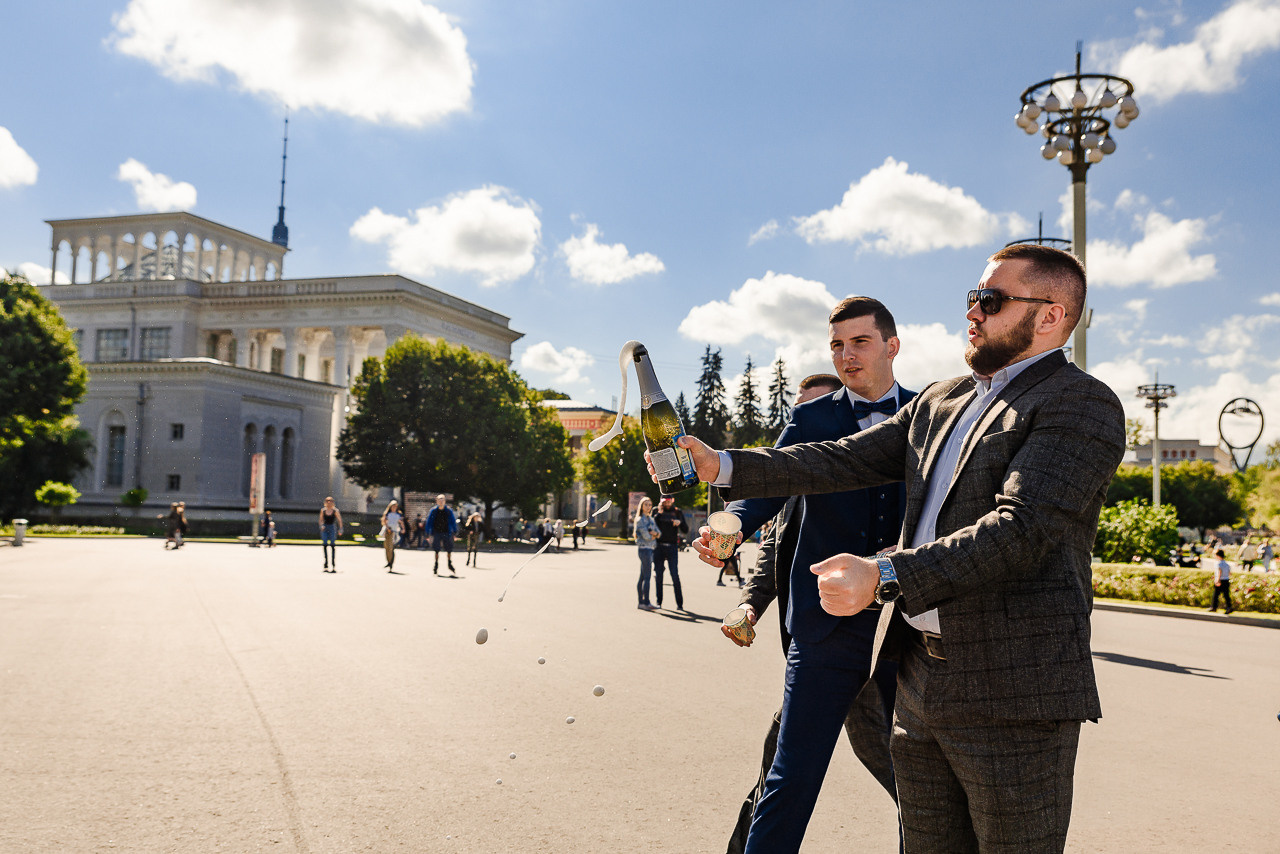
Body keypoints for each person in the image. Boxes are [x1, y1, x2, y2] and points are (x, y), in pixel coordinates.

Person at [669, 244, 1126, 853]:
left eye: (991, 301)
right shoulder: (941, 399)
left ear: (1051, 316)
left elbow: (1021, 530)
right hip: (919, 685)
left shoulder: (1082, 403)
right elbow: (842, 459)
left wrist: (883, 575)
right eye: (973, 298)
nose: (974, 313)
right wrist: (721, 464)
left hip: (1011, 695)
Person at [717, 299, 915, 854]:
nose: (846, 355)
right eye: (836, 345)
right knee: (792, 775)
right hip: (825, 627)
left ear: (891, 346)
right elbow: (770, 483)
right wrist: (731, 522)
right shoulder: (810, 418)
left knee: (921, 785)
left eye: (860, 342)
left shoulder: (930, 413)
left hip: (907, 626)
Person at [652, 496, 689, 610]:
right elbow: (651, 525)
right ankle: (659, 602)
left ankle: (679, 604)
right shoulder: (656, 511)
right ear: (661, 502)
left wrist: (680, 522)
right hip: (658, 547)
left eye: (669, 501)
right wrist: (659, 513)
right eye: (665, 502)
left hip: (672, 546)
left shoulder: (677, 511)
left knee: (674, 575)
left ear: (672, 501)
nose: (667, 503)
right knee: (659, 575)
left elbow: (685, 529)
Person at [634, 497, 659, 610]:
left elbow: (658, 533)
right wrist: (653, 535)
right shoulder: (640, 520)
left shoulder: (651, 519)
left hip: (650, 549)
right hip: (644, 549)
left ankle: (641, 602)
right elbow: (647, 537)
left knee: (642, 577)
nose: (648, 507)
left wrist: (654, 534)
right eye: (646, 505)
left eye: (650, 505)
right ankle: (646, 602)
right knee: (647, 577)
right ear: (641, 506)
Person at [427, 494, 458, 575]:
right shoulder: (433, 511)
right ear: (437, 501)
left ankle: (449, 563)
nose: (441, 502)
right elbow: (429, 522)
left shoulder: (448, 511)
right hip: (436, 532)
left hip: (446, 532)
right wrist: (427, 533)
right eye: (439, 500)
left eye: (442, 500)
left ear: (445, 501)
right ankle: (436, 565)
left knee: (449, 549)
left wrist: (455, 531)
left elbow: (452, 521)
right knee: (436, 550)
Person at [319, 496, 343, 571]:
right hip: (325, 528)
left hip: (332, 527)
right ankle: (326, 564)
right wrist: (321, 526)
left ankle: (333, 564)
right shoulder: (323, 510)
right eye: (327, 501)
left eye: (330, 501)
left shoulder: (335, 511)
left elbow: (339, 520)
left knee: (332, 545)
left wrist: (341, 529)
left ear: (333, 502)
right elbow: (320, 520)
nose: (329, 502)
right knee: (325, 544)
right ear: (325, 502)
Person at [381, 499, 404, 572]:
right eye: (393, 506)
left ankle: (391, 563)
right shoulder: (388, 514)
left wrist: (403, 529)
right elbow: (384, 521)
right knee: (387, 547)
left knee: (391, 548)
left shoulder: (398, 514)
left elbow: (401, 522)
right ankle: (388, 561)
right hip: (388, 531)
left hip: (394, 532)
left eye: (395, 506)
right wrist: (387, 528)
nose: (394, 507)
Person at [1209, 548, 1234, 613]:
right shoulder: (1226, 564)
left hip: (1220, 580)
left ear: (1217, 555)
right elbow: (1229, 573)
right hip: (1226, 580)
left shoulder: (1218, 563)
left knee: (1216, 594)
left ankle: (1214, 607)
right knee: (1226, 595)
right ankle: (1229, 607)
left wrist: (1217, 579)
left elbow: (1219, 571)